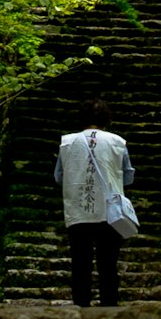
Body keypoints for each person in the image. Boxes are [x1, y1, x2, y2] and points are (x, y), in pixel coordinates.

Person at [56, 121, 133, 308]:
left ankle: (81, 305)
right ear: (106, 120)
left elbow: (59, 176)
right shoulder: (117, 142)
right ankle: (109, 305)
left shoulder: (67, 142)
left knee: (80, 262)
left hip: (78, 210)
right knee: (108, 263)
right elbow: (128, 176)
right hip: (109, 211)